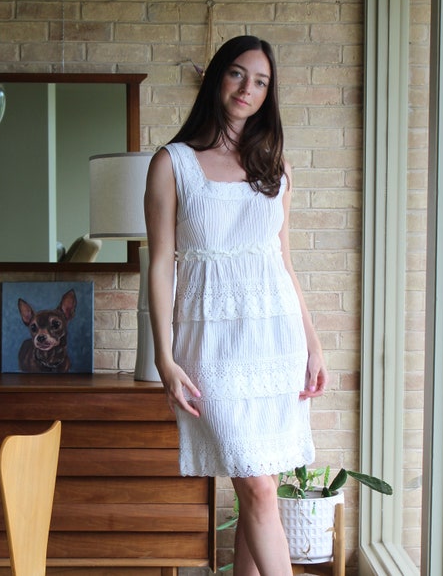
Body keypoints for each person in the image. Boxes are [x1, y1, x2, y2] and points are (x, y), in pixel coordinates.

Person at [144, 35, 328, 576]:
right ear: (217, 78)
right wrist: (164, 356)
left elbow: (283, 263)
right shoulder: (172, 163)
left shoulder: (276, 166)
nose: (248, 88)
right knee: (257, 484)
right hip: (213, 345)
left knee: (258, 482)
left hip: (275, 342)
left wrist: (312, 344)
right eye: (237, 74)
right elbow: (161, 265)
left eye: (261, 81)